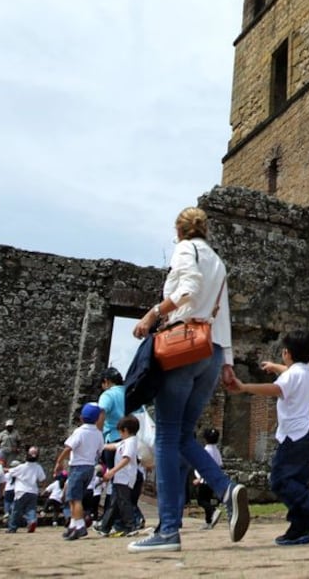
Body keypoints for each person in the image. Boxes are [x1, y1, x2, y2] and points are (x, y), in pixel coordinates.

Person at [126, 206, 250, 554]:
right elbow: (221, 314)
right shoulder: (218, 262)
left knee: (166, 436)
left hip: (182, 348)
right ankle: (226, 490)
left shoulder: (186, 249)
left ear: (180, 232)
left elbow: (189, 291)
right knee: (181, 435)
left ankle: (167, 530)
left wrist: (152, 315)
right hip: (209, 353)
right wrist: (226, 362)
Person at [226, 330, 309, 546]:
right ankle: (300, 525)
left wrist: (245, 387)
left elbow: (275, 389)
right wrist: (276, 367)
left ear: (287, 352)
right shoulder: (305, 372)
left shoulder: (291, 376)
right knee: (297, 480)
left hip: (293, 438)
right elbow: (289, 374)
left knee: (280, 481)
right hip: (305, 435)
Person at [54, 402, 105, 541]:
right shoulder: (98, 434)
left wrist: (59, 462)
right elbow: (100, 451)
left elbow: (68, 448)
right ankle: (73, 525)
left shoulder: (80, 432)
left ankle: (81, 525)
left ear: (82, 417)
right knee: (73, 498)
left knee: (75, 499)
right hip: (90, 467)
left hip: (77, 466)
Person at [97, 415, 141, 537]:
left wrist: (112, 471)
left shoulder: (131, 442)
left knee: (123, 502)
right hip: (120, 478)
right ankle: (105, 527)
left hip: (125, 477)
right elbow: (112, 446)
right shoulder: (125, 442)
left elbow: (126, 459)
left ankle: (131, 526)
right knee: (115, 502)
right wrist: (99, 445)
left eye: (120, 431)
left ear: (125, 430)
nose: (119, 434)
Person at [6, 446, 46, 533]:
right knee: (31, 509)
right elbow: (42, 479)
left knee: (16, 511)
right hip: (33, 491)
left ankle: (12, 528)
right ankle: (32, 521)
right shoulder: (38, 467)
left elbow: (9, 471)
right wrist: (42, 489)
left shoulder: (21, 467)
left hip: (21, 491)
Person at [193, 427, 224, 529]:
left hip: (205, 479)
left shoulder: (206, 450)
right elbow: (219, 464)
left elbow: (203, 466)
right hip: (213, 479)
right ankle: (208, 521)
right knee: (207, 499)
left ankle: (213, 510)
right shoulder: (216, 450)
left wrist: (200, 478)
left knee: (201, 500)